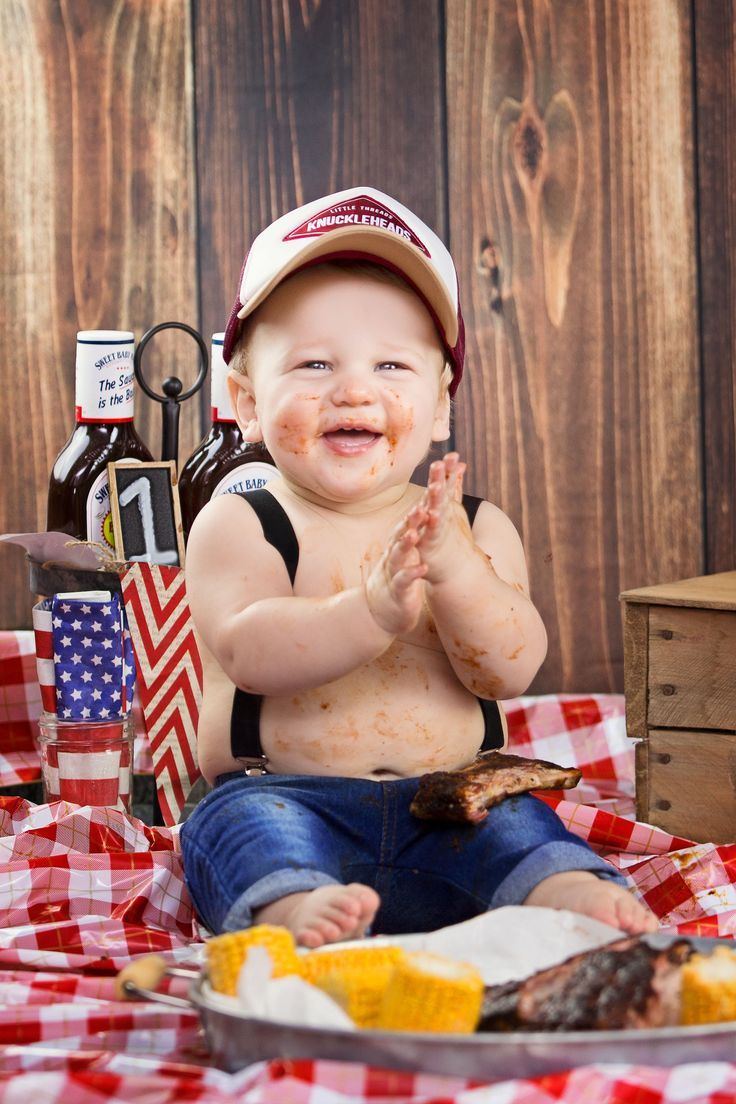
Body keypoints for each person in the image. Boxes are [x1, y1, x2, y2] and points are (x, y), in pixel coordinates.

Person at [181, 186, 657, 948]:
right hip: (290, 795)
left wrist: (459, 575)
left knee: (522, 824)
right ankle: (296, 910)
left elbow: (507, 670)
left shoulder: (471, 524)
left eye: (392, 365)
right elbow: (249, 651)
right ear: (245, 400)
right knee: (234, 827)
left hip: (452, 802)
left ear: (440, 408)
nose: (355, 388)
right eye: (313, 363)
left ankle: (567, 894)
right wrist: (367, 612)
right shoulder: (241, 522)